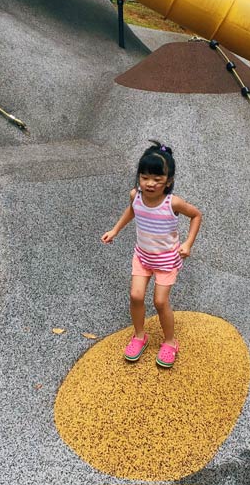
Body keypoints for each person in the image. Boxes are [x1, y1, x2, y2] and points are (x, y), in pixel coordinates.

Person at [101, 141, 202, 368]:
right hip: (143, 256)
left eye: (157, 179)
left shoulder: (172, 202)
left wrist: (188, 243)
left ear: (169, 181)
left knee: (159, 301)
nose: (150, 183)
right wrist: (115, 230)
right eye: (145, 177)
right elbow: (132, 211)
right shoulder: (135, 195)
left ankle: (169, 342)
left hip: (166, 260)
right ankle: (139, 336)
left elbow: (196, 215)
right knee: (136, 296)